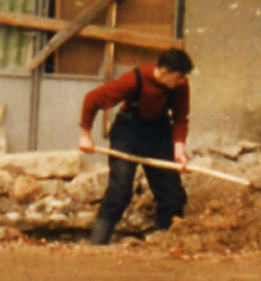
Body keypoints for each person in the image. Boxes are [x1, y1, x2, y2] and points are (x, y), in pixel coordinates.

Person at [77, 48, 194, 245]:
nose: (182, 81)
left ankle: (168, 242)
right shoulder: (134, 79)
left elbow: (181, 118)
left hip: (158, 132)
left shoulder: (180, 86)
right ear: (164, 72)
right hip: (128, 132)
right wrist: (85, 135)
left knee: (172, 193)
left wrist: (179, 150)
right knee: (120, 190)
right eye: (179, 77)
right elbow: (93, 98)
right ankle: (97, 244)